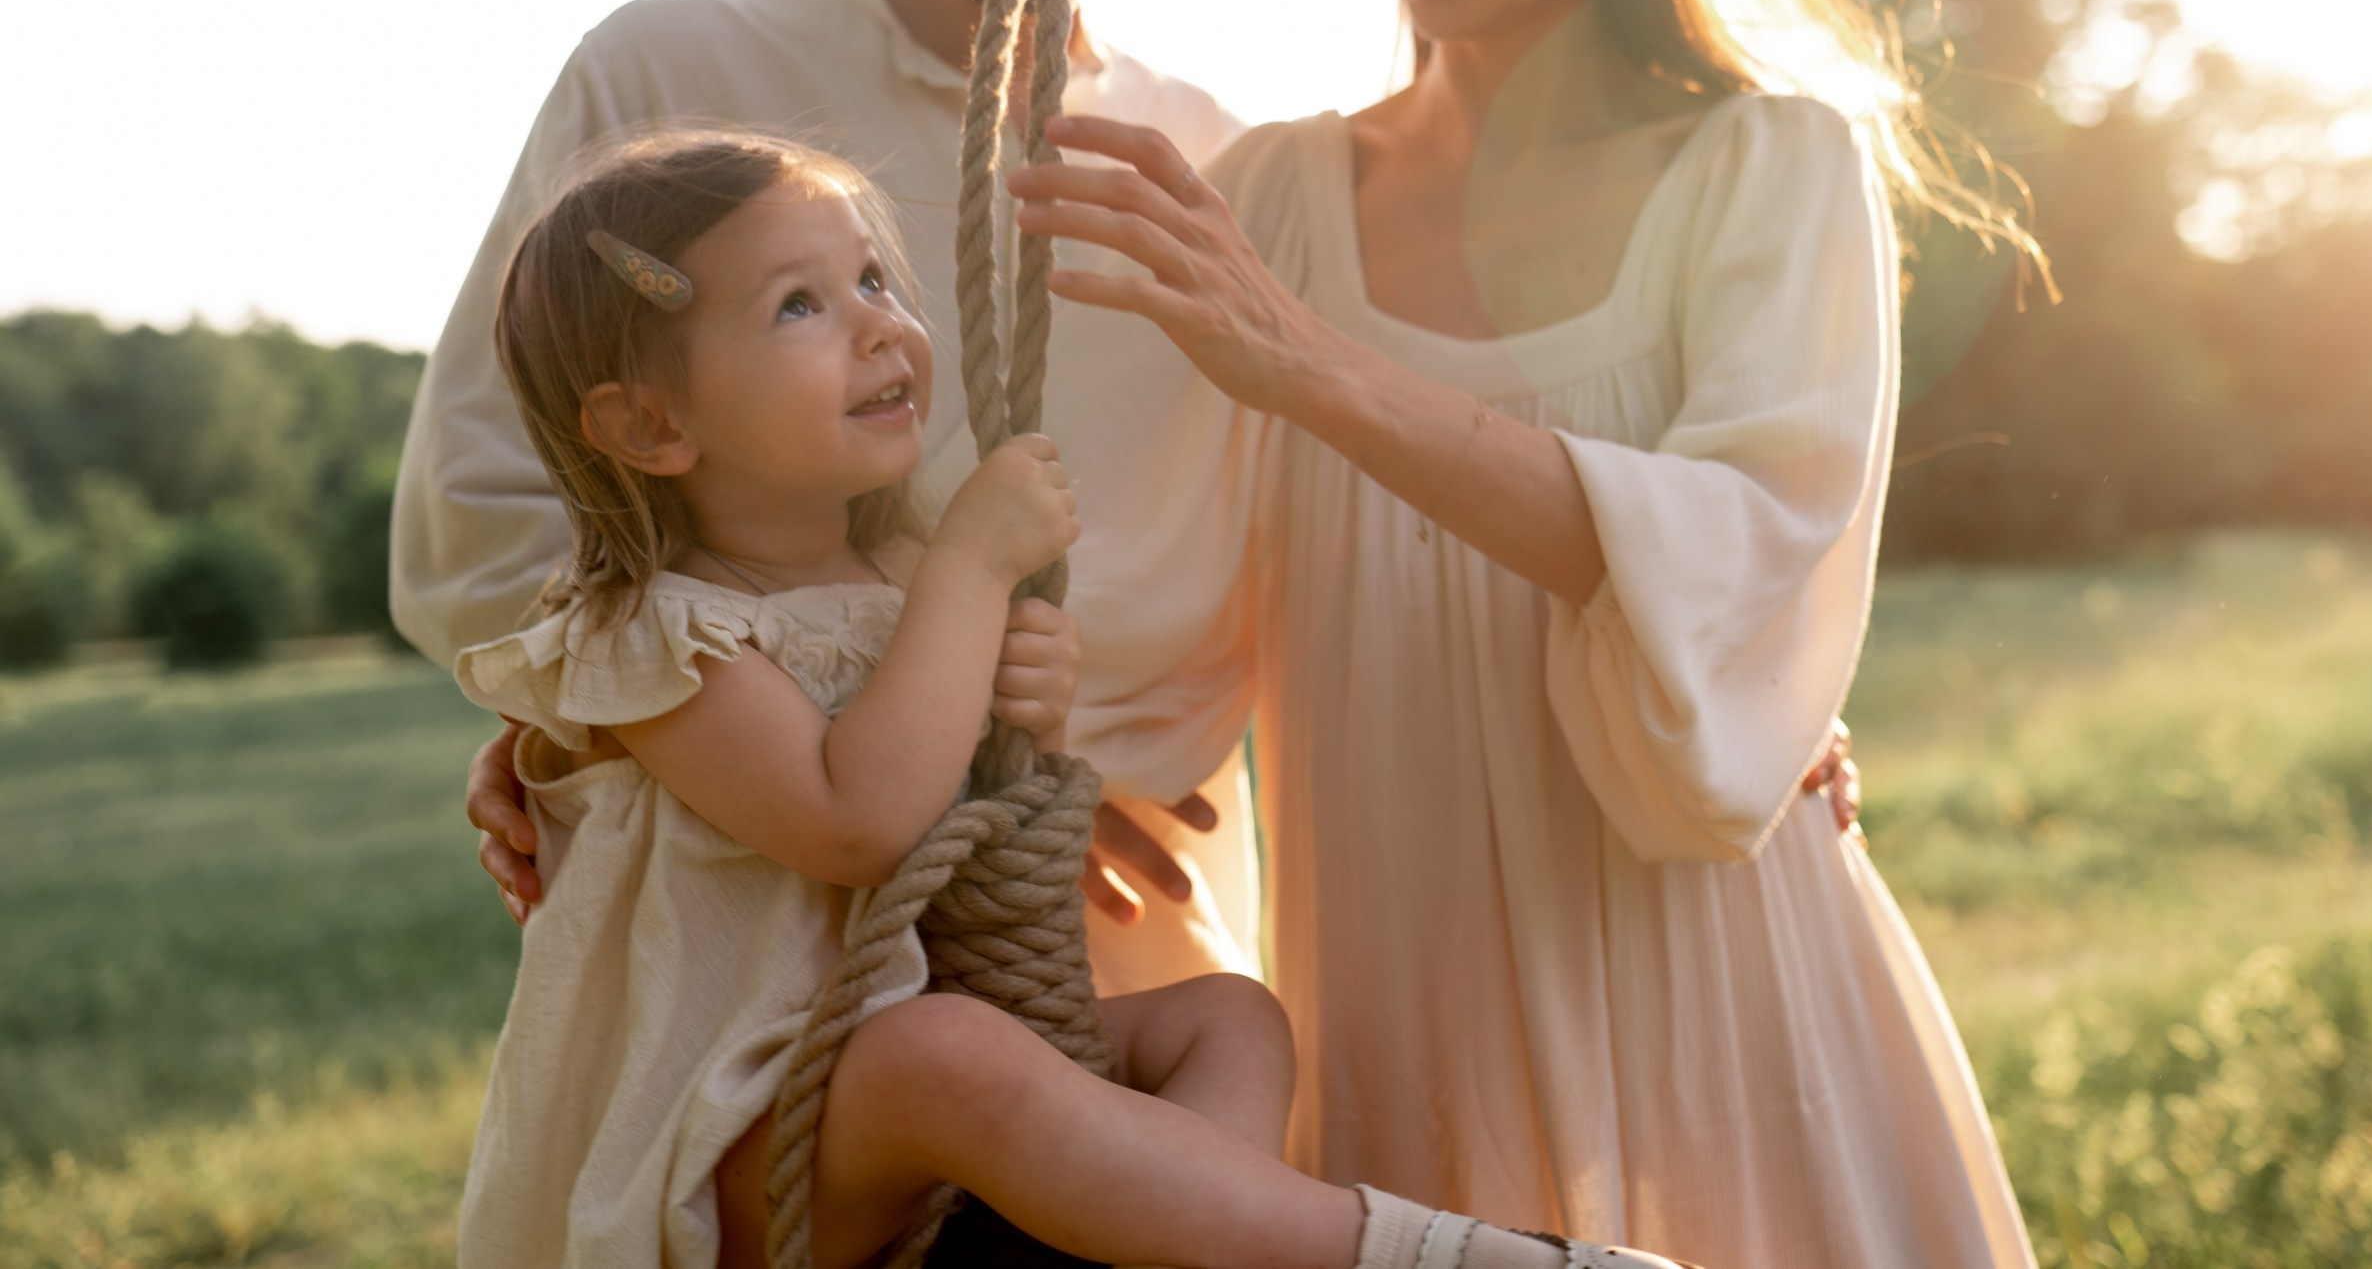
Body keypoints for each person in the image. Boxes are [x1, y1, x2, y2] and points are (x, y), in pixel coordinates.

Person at [997, 0, 2036, 1268]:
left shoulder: (1773, 169)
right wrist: (647, 726)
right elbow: (1092, 581)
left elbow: (1738, 563)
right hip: (1402, 1003)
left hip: (1713, 985)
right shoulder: (1276, 199)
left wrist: (1313, 365)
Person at [453, 128, 1698, 1269]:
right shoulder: (654, 640)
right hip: (723, 1154)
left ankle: (1199, 1244)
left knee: (1227, 1016)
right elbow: (859, 818)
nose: (879, 327)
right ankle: (1399, 1253)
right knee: (939, 1054)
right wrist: (971, 570)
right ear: (649, 424)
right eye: (800, 304)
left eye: (872, 280)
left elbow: (972, 789)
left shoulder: (899, 573)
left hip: (907, 1089)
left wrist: (1030, 714)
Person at [400, 0, 1271, 996]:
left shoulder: (1220, 168)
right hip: (766, 938)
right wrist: (606, 715)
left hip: (1125, 935)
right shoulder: (669, 78)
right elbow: (481, 512)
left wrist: (1044, 793)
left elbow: (1292, 569)